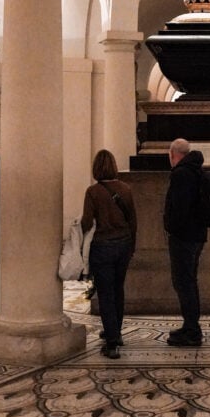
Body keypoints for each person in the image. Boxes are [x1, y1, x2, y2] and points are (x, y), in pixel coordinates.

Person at [81, 149, 136, 359]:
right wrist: (132, 247)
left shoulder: (93, 192)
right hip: (123, 244)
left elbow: (87, 222)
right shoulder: (126, 189)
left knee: (104, 293)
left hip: (102, 246)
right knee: (117, 289)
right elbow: (133, 222)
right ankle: (116, 331)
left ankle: (112, 342)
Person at [163, 137, 207, 347]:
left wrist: (170, 227)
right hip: (197, 235)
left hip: (184, 237)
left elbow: (180, 208)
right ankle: (191, 326)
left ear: (173, 155)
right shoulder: (196, 170)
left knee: (183, 282)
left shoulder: (181, 174)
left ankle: (191, 329)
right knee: (190, 280)